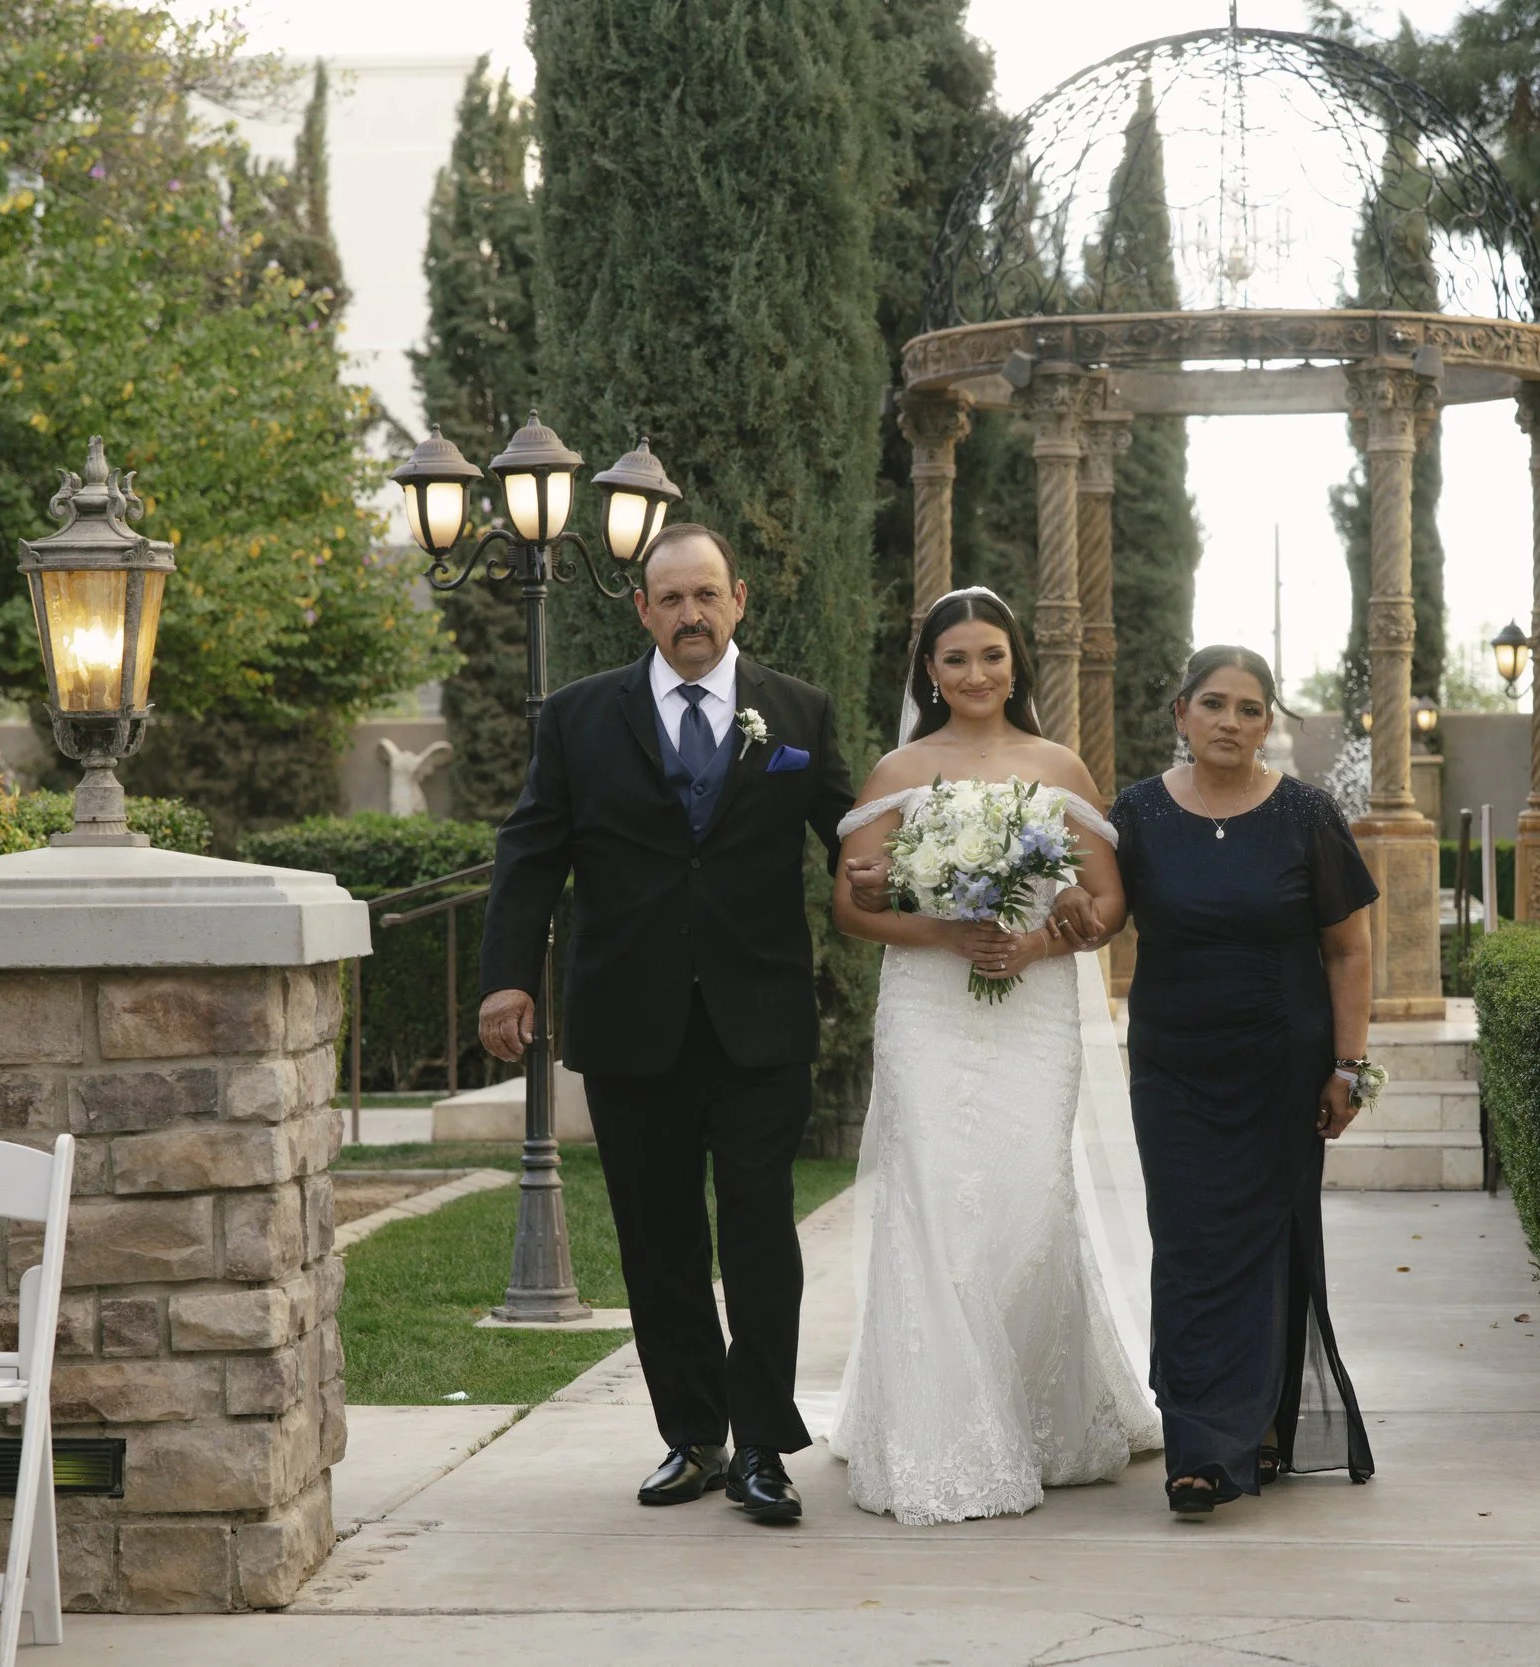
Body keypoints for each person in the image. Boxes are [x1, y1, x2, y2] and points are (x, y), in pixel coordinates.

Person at [476, 522, 853, 1526]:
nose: (691, 614)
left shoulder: (799, 711)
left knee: (760, 1232)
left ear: (740, 599)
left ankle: (763, 1443)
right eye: (671, 598)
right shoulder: (578, 716)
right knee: (659, 1239)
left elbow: (855, 839)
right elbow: (529, 850)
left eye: (707, 594)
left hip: (759, 1020)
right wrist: (507, 980)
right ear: (642, 609)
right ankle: (693, 1436)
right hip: (630, 1021)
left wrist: (946, 886)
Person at [824, 587, 1157, 1524]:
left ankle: (1040, 1413)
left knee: (1029, 1192)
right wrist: (942, 931)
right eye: (957, 658)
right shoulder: (899, 770)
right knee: (934, 1195)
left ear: (1016, 665)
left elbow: (1107, 902)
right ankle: (938, 1431)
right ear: (929, 672)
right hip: (929, 1007)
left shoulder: (1058, 766)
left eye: (992, 655)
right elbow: (851, 905)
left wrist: (1044, 940)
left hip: (1032, 1011)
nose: (976, 673)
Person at [1106, 645, 1380, 1515]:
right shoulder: (1137, 812)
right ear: (1181, 714)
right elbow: (1099, 914)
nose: (1230, 721)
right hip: (1173, 1066)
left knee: (1264, 1242)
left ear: (1268, 724)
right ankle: (1198, 1442)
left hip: (1282, 1063)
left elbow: (1349, 948)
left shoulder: (1306, 813)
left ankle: (1247, 1428)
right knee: (1187, 1242)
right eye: (1214, 704)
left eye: (1250, 708)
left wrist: (1349, 1065)